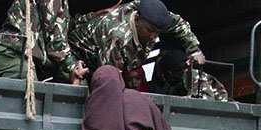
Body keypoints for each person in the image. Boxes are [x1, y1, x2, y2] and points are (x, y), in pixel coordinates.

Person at [0, 0, 121, 84]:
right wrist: (73, 68)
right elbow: (55, 40)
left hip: (10, 54)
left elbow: (62, 26)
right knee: (28, 110)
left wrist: (92, 17)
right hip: (13, 55)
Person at [67, 0, 206, 80]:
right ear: (137, 20)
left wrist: (194, 50)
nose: (153, 36)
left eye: (157, 33)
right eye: (150, 31)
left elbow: (179, 24)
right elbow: (108, 79)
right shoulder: (118, 37)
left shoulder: (151, 13)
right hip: (77, 56)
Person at [151, 49, 228, 101]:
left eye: (165, 74)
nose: (164, 78)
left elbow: (207, 105)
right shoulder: (179, 82)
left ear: (170, 72)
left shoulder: (192, 77)